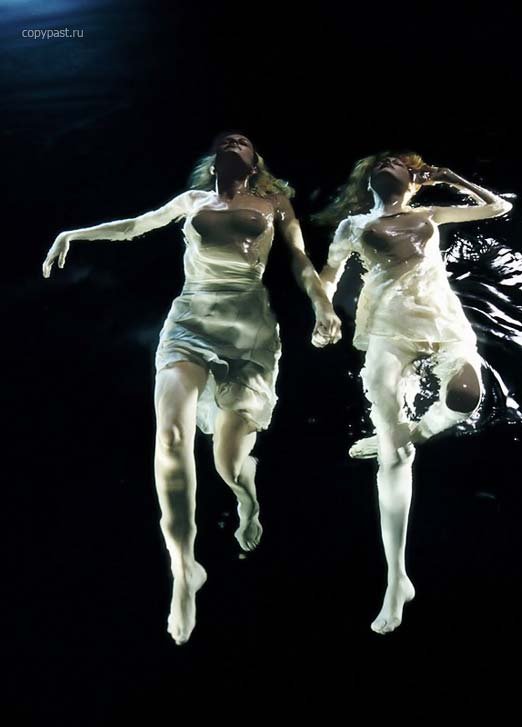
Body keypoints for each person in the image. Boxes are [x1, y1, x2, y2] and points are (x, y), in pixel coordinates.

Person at [43, 132, 341, 645]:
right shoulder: (192, 201)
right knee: (171, 437)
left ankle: (246, 497)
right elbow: (135, 226)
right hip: (190, 321)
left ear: (255, 163)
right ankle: (184, 570)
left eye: (244, 141)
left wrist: (323, 305)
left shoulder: (273, 202)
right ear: (214, 161)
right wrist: (72, 233)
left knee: (228, 463)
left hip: (248, 329)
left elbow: (298, 258)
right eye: (228, 140)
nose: (235, 140)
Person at [315, 151, 512, 633]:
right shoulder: (355, 225)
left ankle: (414, 434)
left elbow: (497, 208)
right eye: (380, 162)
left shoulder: (429, 213)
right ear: (369, 179)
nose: (388, 164)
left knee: (465, 396)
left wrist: (451, 176)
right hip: (387, 328)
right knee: (393, 455)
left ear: (412, 178)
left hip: (441, 321)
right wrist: (325, 312)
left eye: (398, 162)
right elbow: (330, 275)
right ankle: (396, 579)